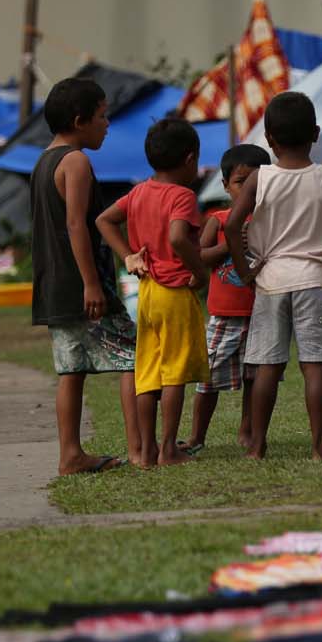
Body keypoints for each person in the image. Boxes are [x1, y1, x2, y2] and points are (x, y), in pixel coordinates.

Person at [226, 92, 322, 461]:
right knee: (313, 367)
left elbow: (232, 225)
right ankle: (319, 446)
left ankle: (257, 445)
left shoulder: (260, 178)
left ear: (268, 139)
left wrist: (245, 272)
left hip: (270, 281)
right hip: (314, 280)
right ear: (316, 133)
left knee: (266, 367)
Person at [29, 77, 141, 474]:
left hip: (54, 286)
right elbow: (77, 224)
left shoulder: (43, 161)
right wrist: (92, 283)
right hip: (83, 285)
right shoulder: (75, 161)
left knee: (71, 370)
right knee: (133, 356)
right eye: (101, 116)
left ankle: (71, 454)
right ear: (79, 121)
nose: (107, 124)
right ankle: (140, 449)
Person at [96, 117, 209, 467]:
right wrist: (199, 270)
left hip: (146, 294)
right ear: (190, 159)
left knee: (148, 371)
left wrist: (128, 255)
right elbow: (178, 237)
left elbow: (104, 220)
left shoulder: (139, 191)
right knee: (174, 373)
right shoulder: (183, 196)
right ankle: (169, 449)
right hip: (174, 293)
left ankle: (145, 452)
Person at [186, 144, 271, 454]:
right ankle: (197, 436)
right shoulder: (219, 220)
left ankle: (247, 429)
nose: (248, 188)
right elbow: (200, 256)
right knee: (208, 379)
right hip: (224, 315)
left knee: (256, 376)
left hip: (262, 312)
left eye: (256, 182)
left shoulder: (268, 220)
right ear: (225, 185)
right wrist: (228, 245)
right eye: (240, 182)